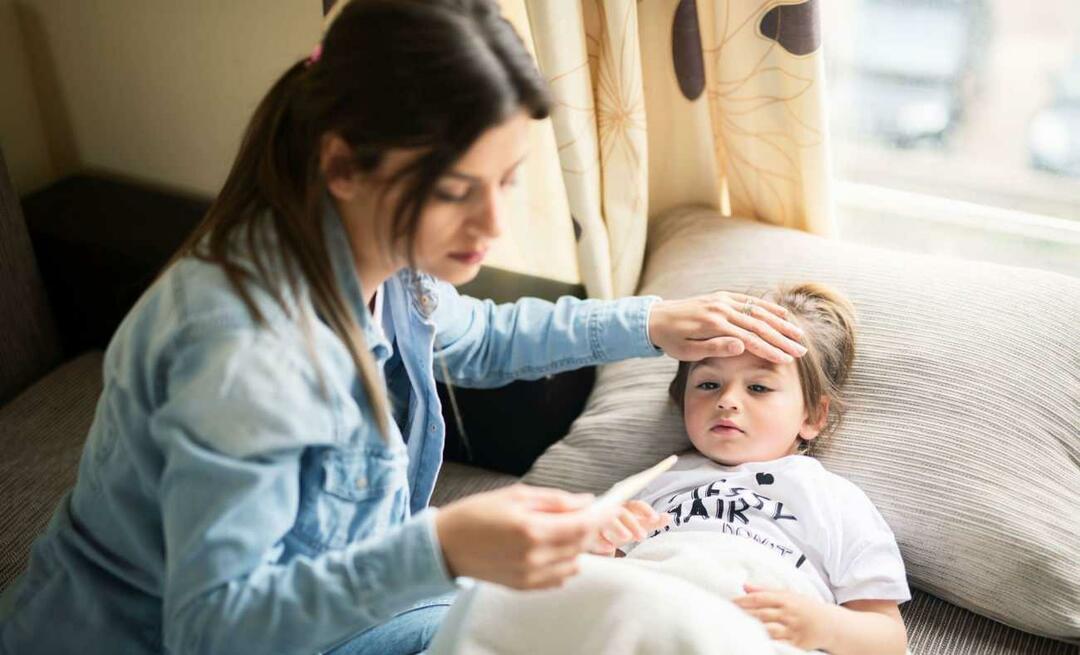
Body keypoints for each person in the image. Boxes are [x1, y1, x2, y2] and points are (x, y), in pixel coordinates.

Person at [0, 1, 807, 654]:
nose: (493, 223)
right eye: (459, 190)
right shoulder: (242, 354)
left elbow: (481, 340)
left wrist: (652, 322)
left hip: (346, 609)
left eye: (508, 181)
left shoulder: (385, 260)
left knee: (653, 612)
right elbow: (216, 627)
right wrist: (442, 547)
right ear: (344, 164)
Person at [595, 283, 910, 655]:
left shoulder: (836, 500)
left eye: (759, 387)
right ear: (682, 403)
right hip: (647, 616)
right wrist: (600, 545)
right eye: (708, 384)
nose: (727, 401)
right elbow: (594, 583)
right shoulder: (653, 481)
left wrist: (823, 626)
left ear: (813, 415)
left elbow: (888, 639)